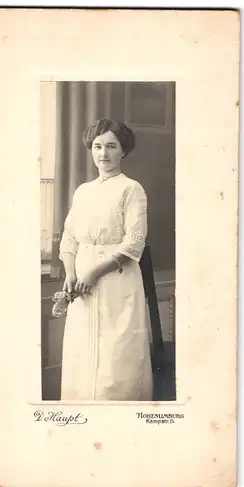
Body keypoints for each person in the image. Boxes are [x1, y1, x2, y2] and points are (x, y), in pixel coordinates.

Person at [59, 118, 153, 401]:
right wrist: (70, 272)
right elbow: (69, 238)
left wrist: (94, 272)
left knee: (116, 355)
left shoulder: (131, 189)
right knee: (83, 351)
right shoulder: (83, 191)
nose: (103, 154)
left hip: (117, 279)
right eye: (98, 146)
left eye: (111, 146)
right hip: (82, 283)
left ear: (123, 151)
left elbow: (134, 243)